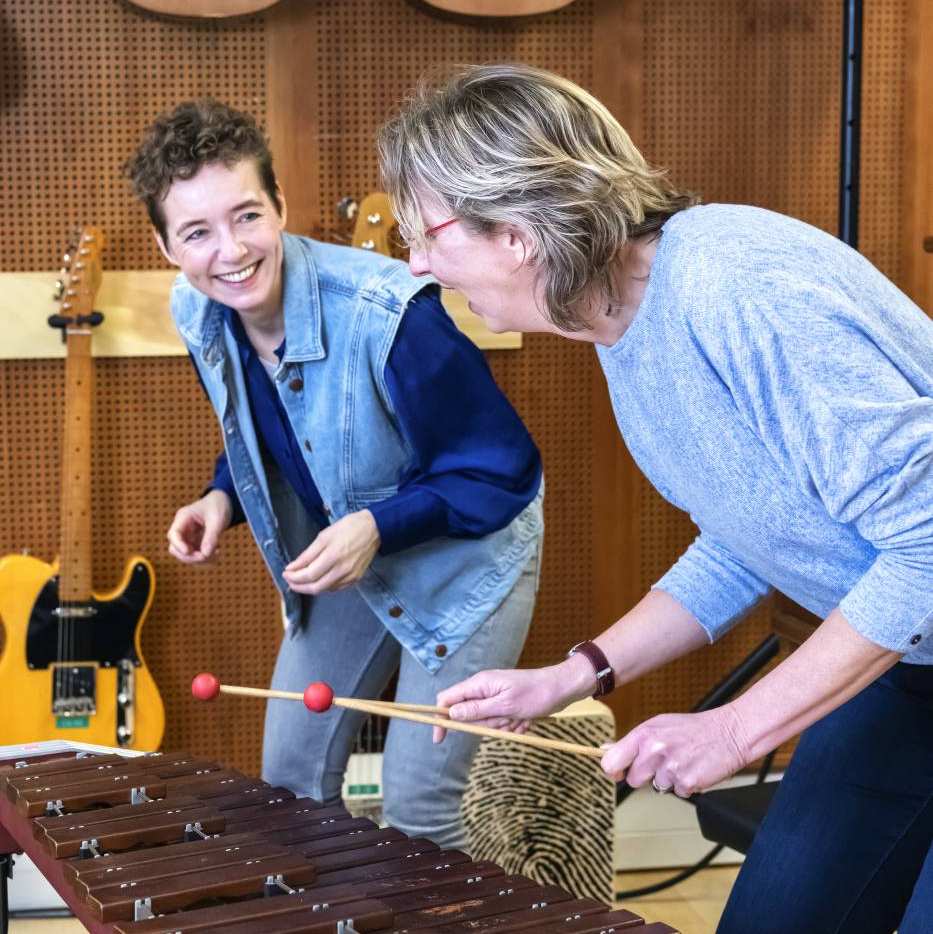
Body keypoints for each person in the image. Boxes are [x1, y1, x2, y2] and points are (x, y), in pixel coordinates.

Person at [377, 64, 933, 932]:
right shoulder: (616, 318)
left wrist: (736, 731)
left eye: (426, 231)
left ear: (517, 232)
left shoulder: (738, 288)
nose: (415, 260)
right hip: (909, 659)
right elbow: (745, 533)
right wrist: (575, 674)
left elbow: (927, 545)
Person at [125, 99, 544, 850]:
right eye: (196, 232)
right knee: (287, 784)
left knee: (420, 809)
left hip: (468, 562)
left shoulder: (389, 314)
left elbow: (501, 469)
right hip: (359, 548)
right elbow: (281, 422)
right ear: (166, 247)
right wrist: (223, 493)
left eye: (246, 216)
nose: (230, 251)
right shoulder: (199, 310)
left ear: (279, 205)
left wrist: (378, 525)